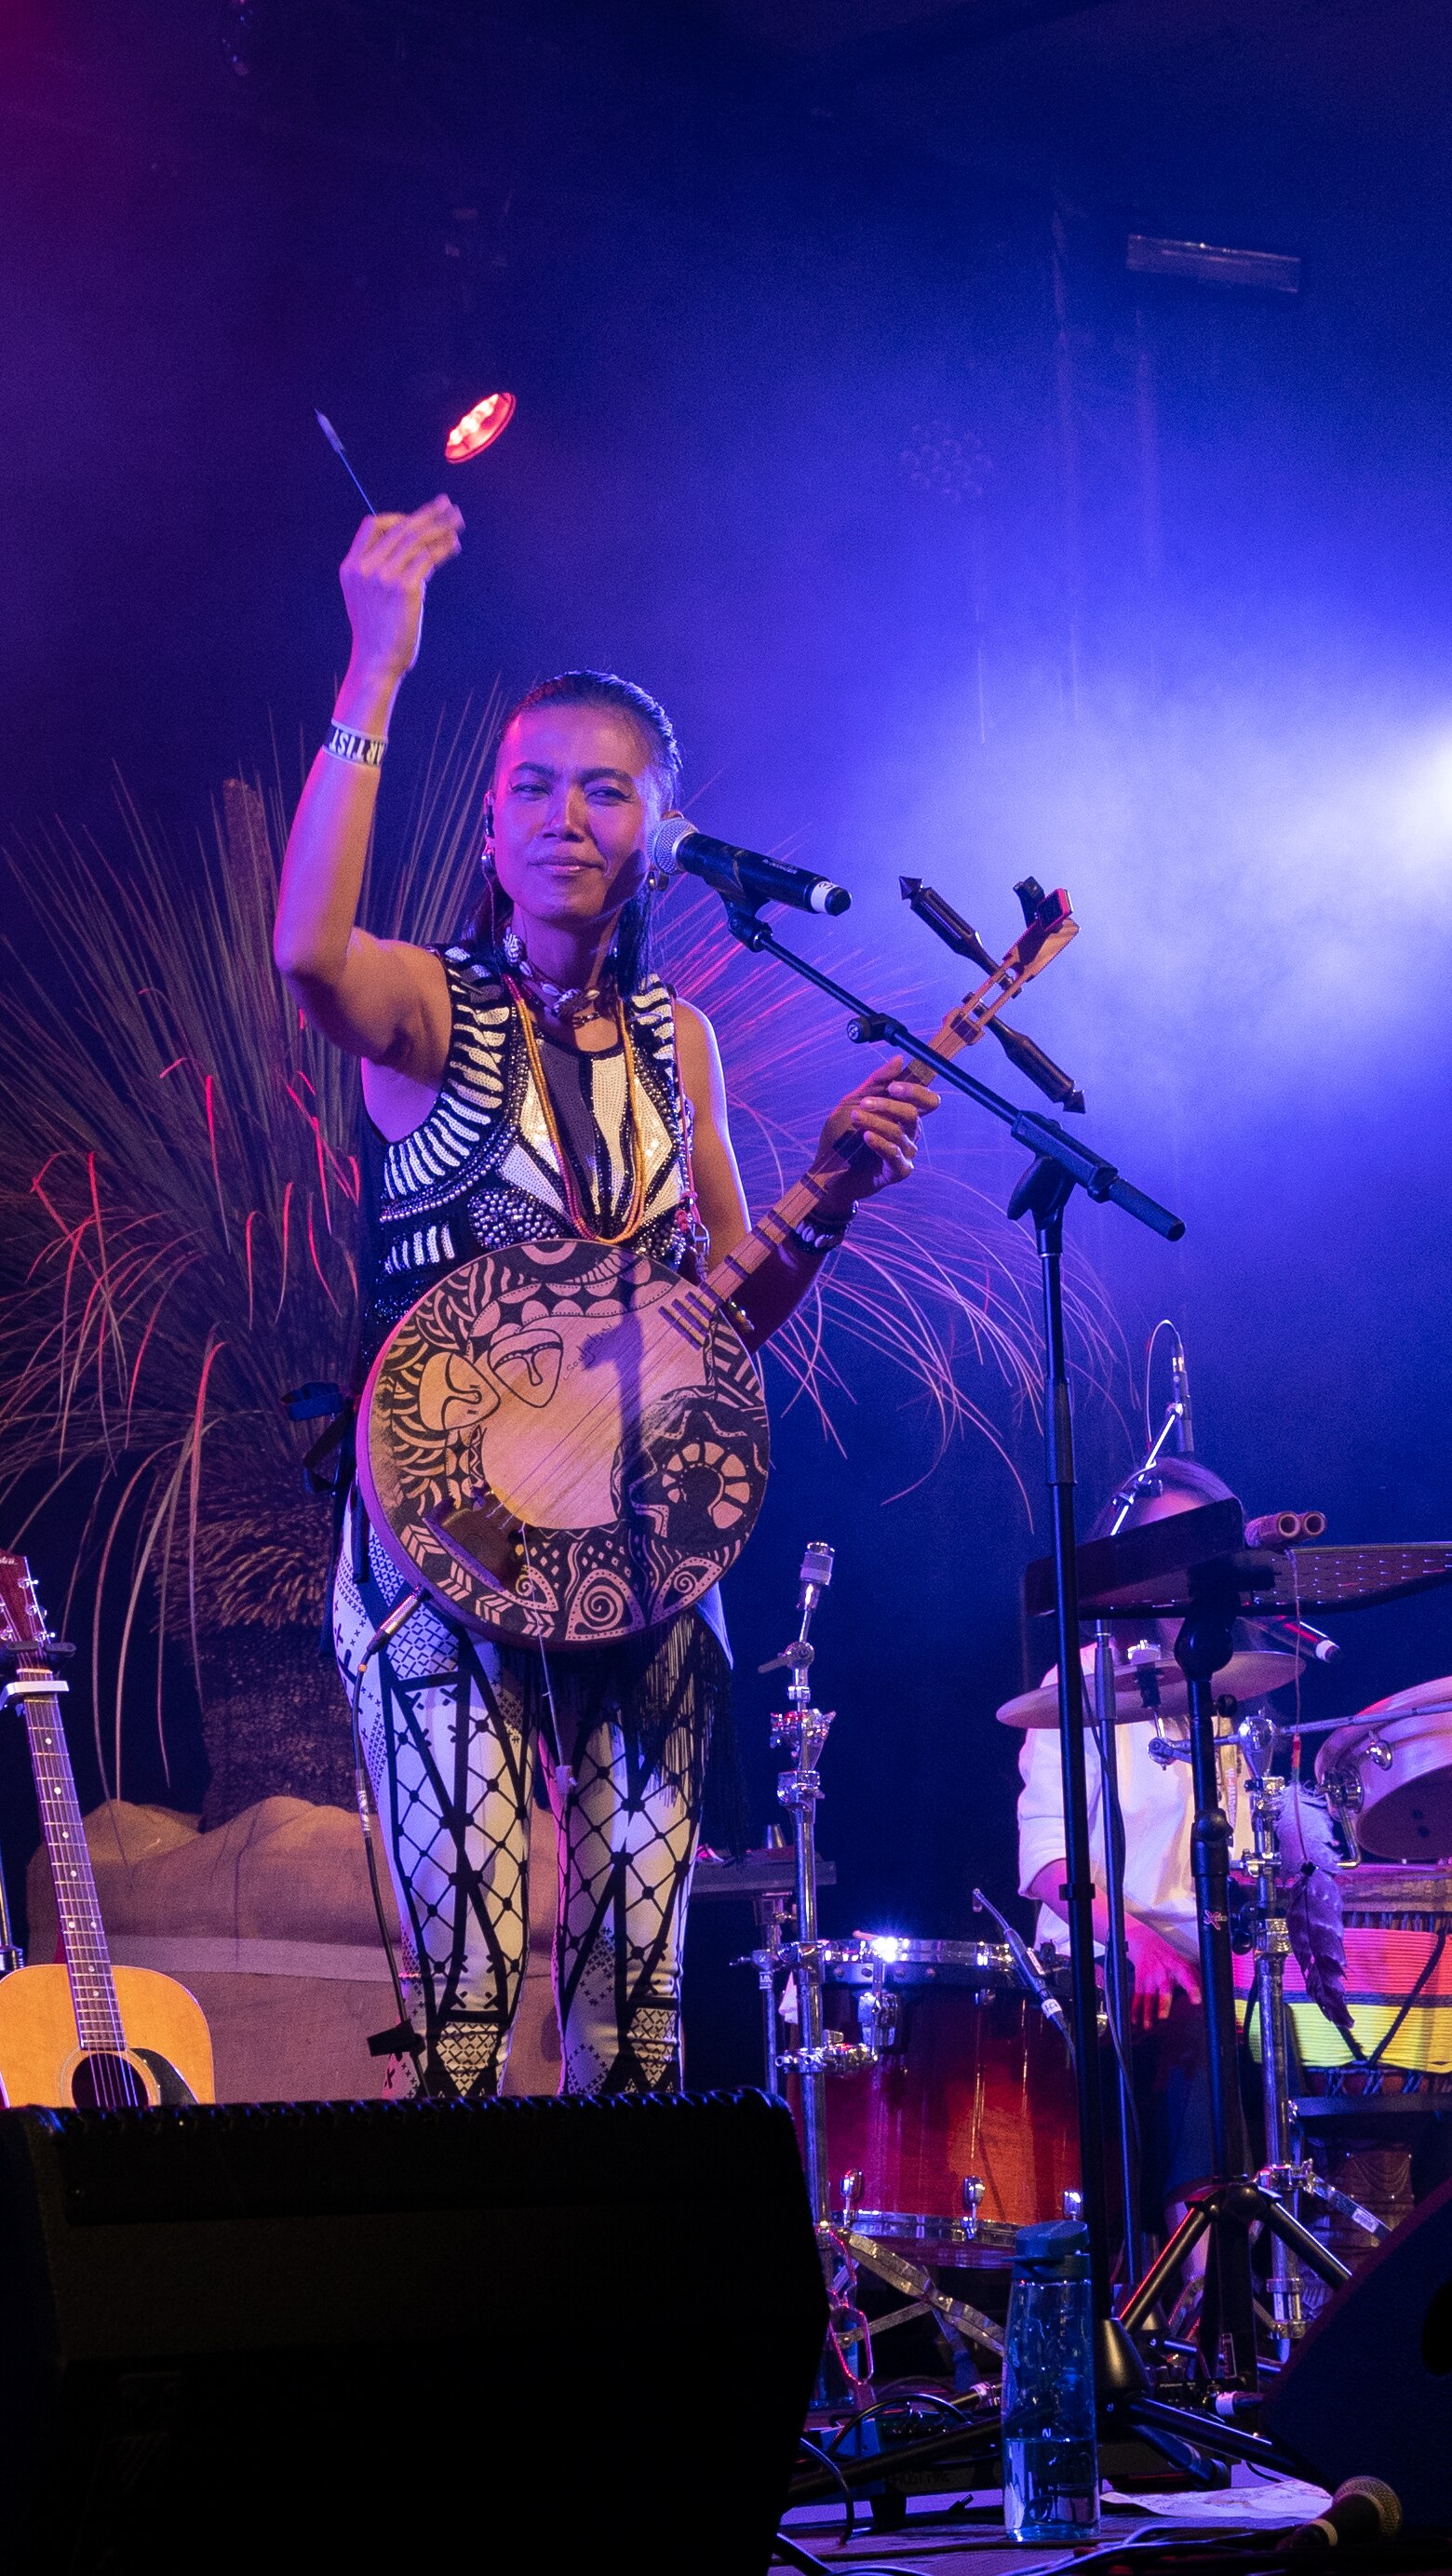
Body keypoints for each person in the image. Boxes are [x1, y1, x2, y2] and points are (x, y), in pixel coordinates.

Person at [274, 494, 938, 2100]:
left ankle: (620, 2333)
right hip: (450, 1549)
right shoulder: (429, 1005)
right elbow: (305, 951)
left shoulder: (678, 1044)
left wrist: (831, 1199)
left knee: (639, 2012)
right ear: (490, 829)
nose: (566, 815)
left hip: (641, 1549)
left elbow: (723, 1316)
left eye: (605, 789)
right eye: (532, 787)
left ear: (662, 822)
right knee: (468, 1991)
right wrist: (375, 667)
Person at [1016, 1456, 1244, 2240]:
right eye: (1165, 1545)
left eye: (1198, 1544)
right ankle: (1186, 2290)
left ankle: (1259, 2284)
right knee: (1198, 2030)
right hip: (1103, 1961)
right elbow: (1047, 1861)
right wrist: (1138, 1940)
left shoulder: (1230, 1694)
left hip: (1205, 1968)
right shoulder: (1084, 1681)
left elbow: (1235, 1864)